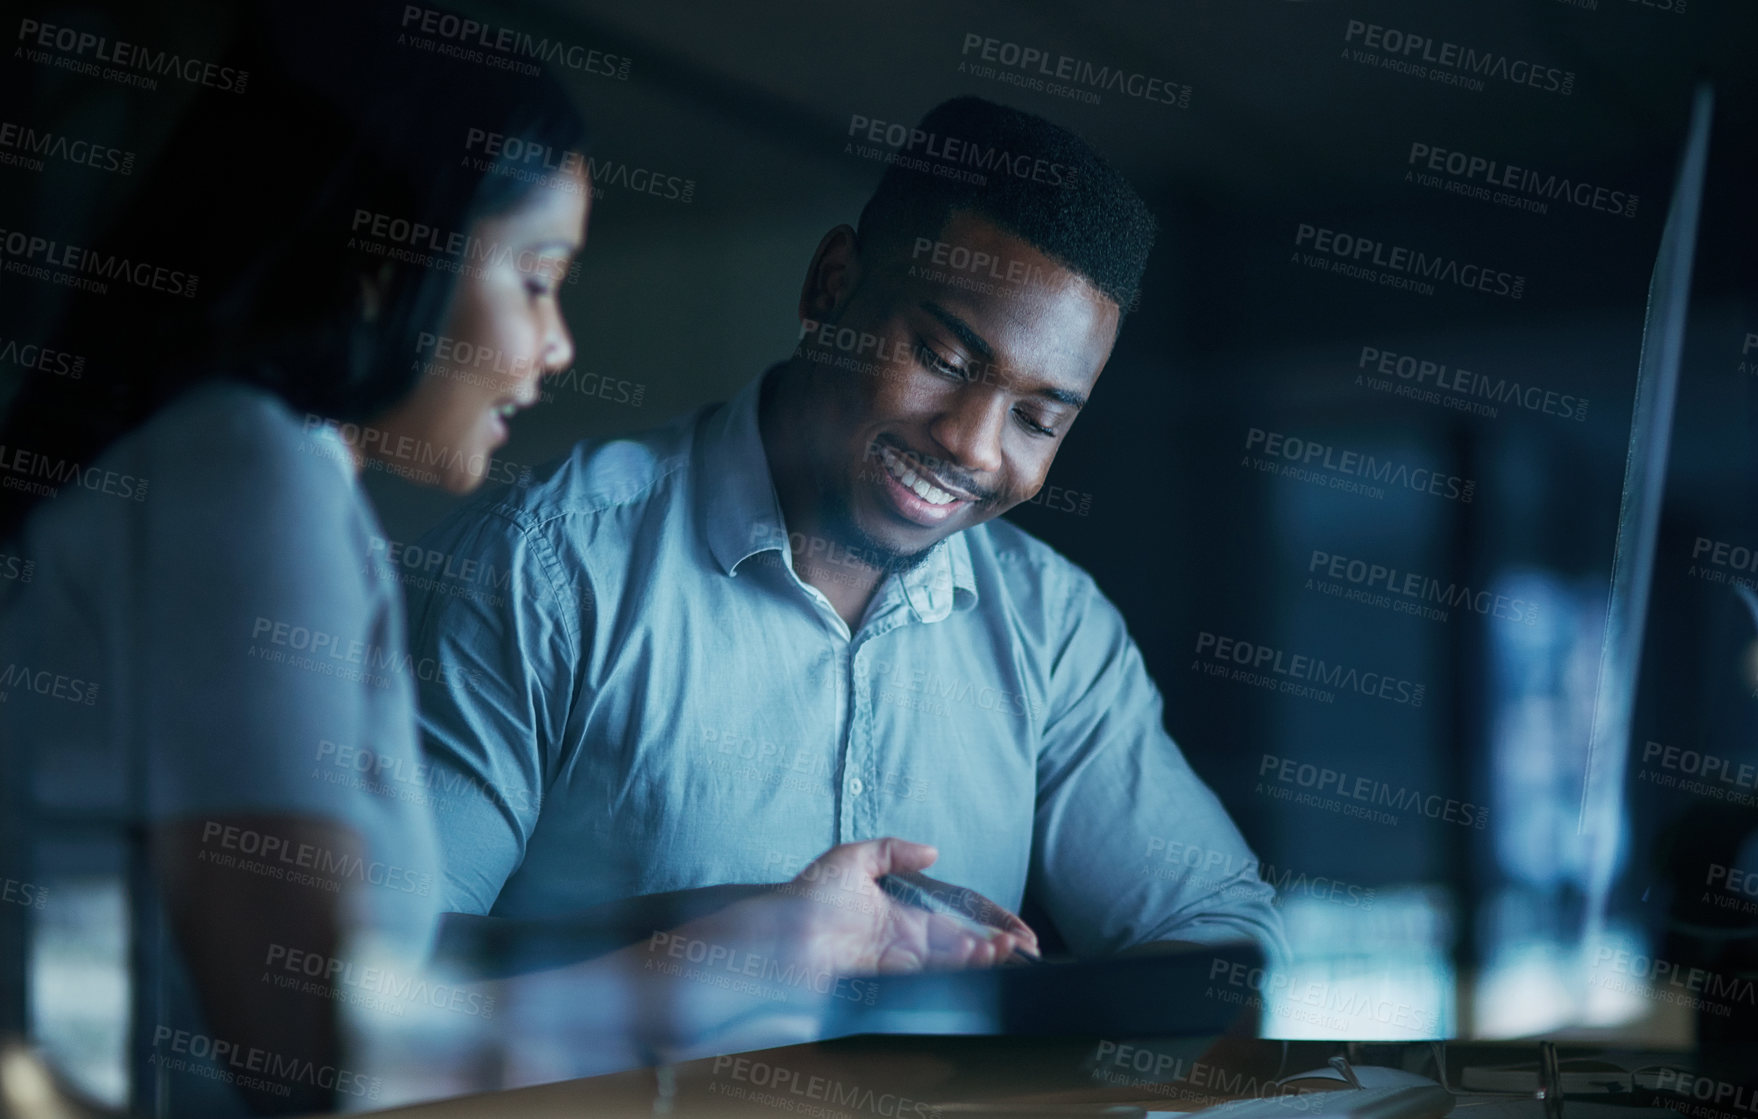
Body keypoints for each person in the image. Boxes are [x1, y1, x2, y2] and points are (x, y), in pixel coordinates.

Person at [0, 15, 1028, 1116]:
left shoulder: (260, 479)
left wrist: (766, 924)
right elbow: (327, 1050)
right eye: (536, 279)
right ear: (385, 264)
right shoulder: (248, 473)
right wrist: (744, 969)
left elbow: (388, 979)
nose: (557, 346)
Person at [405, 96, 1288, 966]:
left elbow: (1222, 937)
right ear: (831, 286)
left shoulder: (1054, 630)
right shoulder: (542, 566)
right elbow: (373, 980)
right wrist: (723, 941)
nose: (972, 446)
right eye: (942, 360)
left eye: (1036, 419)